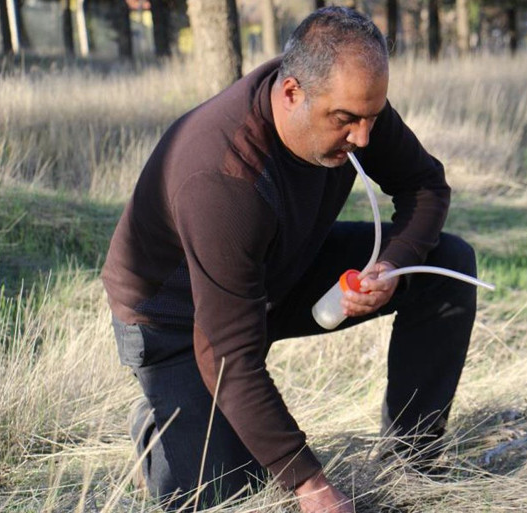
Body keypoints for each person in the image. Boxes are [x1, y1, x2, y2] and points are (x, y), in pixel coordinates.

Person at [102, 7, 477, 513]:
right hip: (178, 322)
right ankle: (162, 419)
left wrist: (393, 263)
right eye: (345, 121)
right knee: (221, 497)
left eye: (372, 117)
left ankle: (414, 463)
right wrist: (310, 483)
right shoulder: (222, 179)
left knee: (445, 265)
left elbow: (426, 185)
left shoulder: (350, 101)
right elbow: (227, 351)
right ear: (292, 93)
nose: (364, 138)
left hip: (278, 269)